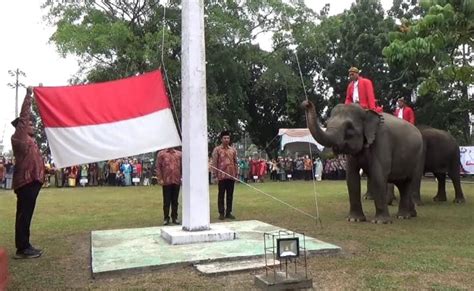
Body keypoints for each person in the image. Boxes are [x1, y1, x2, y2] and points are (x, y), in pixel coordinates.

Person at [10, 87, 44, 259]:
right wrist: (29, 95)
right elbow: (24, 117)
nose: (33, 126)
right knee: (24, 215)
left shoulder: (31, 142)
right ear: (21, 127)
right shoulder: (19, 138)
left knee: (27, 215)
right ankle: (22, 248)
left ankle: (26, 245)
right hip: (26, 182)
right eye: (30, 124)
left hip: (33, 181)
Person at [212, 131, 238, 220]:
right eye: (225, 138)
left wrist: (236, 174)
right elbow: (214, 163)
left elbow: (235, 162)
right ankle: (221, 212)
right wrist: (214, 175)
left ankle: (228, 212)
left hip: (231, 175)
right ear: (221, 139)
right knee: (221, 194)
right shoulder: (217, 150)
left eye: (228, 138)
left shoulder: (233, 150)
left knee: (230, 195)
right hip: (221, 176)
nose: (226, 140)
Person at [156, 147, 182, 225]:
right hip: (166, 180)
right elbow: (158, 167)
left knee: (175, 201)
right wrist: (160, 178)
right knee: (166, 201)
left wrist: (182, 177)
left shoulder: (179, 154)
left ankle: (175, 217)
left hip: (176, 179)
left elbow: (182, 166)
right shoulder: (161, 154)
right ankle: (166, 218)